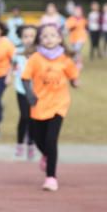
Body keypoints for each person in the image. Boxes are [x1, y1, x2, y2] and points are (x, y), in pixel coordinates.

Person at [22, 24, 80, 192]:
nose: (49, 39)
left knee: (51, 139)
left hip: (59, 104)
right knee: (36, 136)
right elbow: (25, 78)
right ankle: (46, 155)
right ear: (39, 39)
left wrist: (75, 82)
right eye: (45, 36)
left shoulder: (65, 59)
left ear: (60, 39)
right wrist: (29, 94)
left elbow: (73, 76)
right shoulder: (35, 58)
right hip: (39, 103)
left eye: (53, 35)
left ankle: (51, 177)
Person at [12, 24, 38, 160]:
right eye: (25, 36)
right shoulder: (17, 53)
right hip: (21, 89)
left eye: (32, 36)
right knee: (24, 116)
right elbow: (12, 67)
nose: (29, 39)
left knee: (34, 118)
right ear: (21, 38)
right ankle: (20, 143)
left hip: (36, 91)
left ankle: (31, 144)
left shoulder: (40, 54)